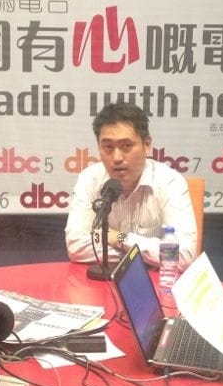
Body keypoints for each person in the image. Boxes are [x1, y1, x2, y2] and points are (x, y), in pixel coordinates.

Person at [65, 102, 197, 269]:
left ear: (146, 145)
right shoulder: (89, 179)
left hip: (156, 282)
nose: (117, 157)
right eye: (108, 147)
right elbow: (76, 246)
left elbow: (183, 254)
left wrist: (120, 238)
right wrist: (142, 254)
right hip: (106, 280)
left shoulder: (170, 182)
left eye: (126, 146)